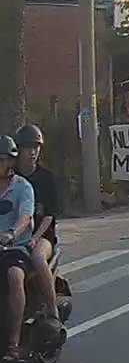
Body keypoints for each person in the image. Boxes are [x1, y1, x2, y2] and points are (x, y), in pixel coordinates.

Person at [14, 124, 61, 326]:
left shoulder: (46, 178)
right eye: (28, 147)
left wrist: (34, 238)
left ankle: (52, 310)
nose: (32, 152)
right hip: (13, 235)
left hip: (42, 235)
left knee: (38, 258)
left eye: (36, 147)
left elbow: (49, 215)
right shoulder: (11, 177)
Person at [0, 135, 36, 363]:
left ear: (11, 161)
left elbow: (26, 216)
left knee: (14, 275)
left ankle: (13, 343)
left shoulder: (23, 187)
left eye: (2, 159)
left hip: (16, 247)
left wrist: (12, 233)